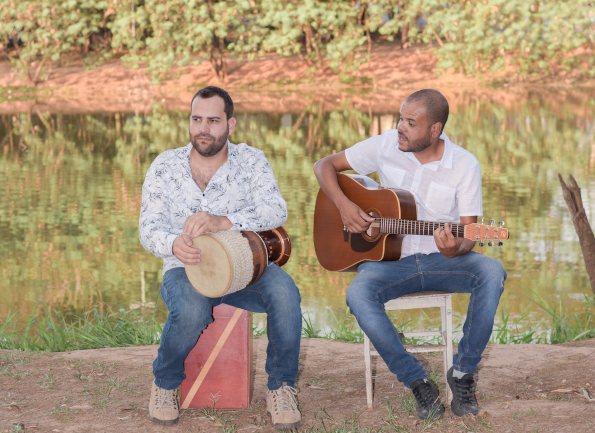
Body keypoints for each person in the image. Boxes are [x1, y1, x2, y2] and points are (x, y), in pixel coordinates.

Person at [313, 89, 506, 420]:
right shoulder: (386, 144)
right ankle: (417, 382)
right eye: (400, 118)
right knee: (358, 293)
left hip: (439, 261)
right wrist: (345, 207)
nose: (400, 127)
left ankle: (463, 373)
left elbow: (469, 235)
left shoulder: (463, 164)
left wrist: (453, 248)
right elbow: (324, 165)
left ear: (435, 130)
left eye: (410, 123)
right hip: (389, 263)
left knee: (491, 272)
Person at [139, 86, 302, 429]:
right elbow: (147, 229)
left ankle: (281, 386)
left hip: (245, 267)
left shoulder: (251, 160)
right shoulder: (165, 166)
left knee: (286, 294)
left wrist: (225, 222)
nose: (203, 128)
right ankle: (165, 383)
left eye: (213, 120)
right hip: (187, 268)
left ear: (231, 125)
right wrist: (173, 244)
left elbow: (276, 210)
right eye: (197, 119)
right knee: (192, 310)